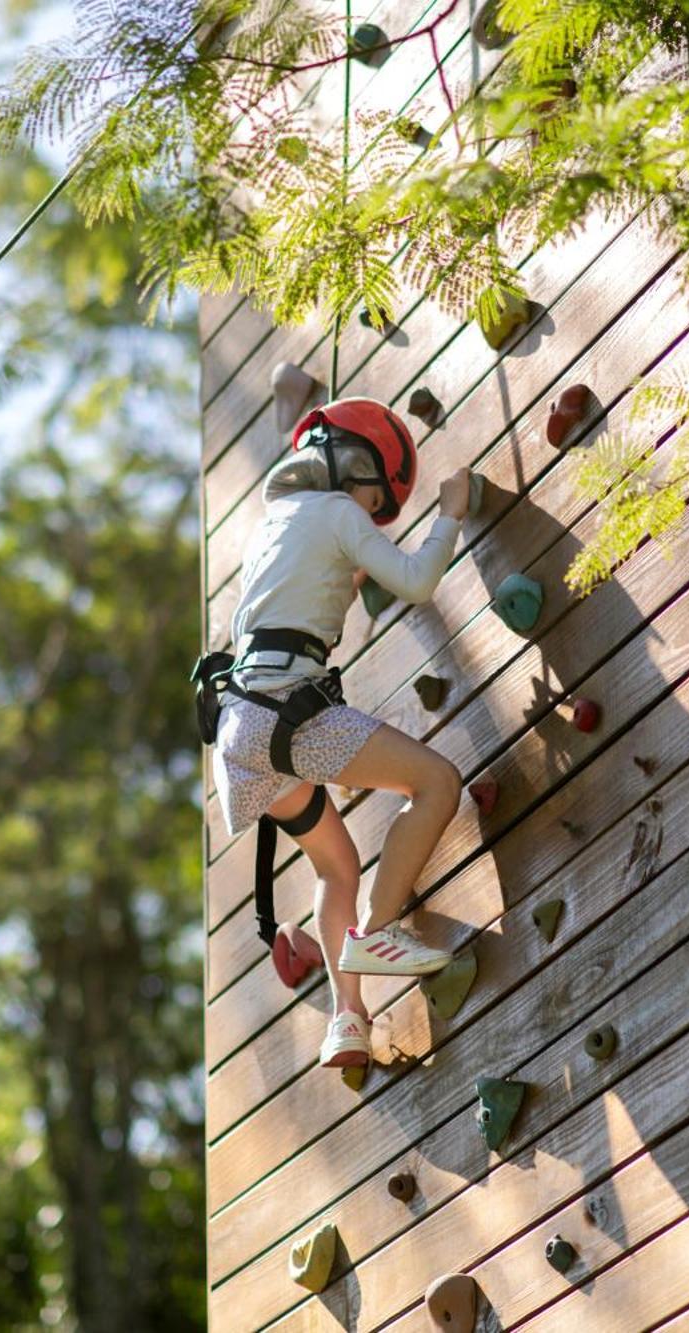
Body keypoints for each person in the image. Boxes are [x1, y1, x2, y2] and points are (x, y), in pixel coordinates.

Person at [197, 396, 471, 1069]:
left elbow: (322, 584)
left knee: (335, 864)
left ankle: (348, 1018)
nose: (372, 511)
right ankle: (374, 932)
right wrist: (451, 513)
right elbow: (415, 580)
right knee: (437, 782)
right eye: (373, 493)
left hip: (239, 734)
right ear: (350, 465)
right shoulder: (339, 512)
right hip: (291, 713)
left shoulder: (272, 526)